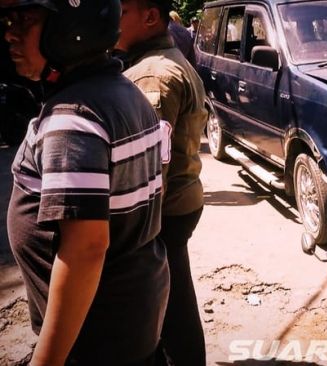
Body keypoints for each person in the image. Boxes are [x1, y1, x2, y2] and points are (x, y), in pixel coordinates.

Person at [1, 0, 169, 365]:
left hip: (92, 340)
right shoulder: (124, 92)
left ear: (72, 26)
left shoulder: (72, 118)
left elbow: (86, 250)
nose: (9, 32)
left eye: (25, 18)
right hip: (131, 320)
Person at [115, 1, 208, 365]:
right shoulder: (158, 61)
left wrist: (135, 232)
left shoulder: (153, 75)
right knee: (175, 300)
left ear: (150, 16)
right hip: (178, 205)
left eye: (120, 12)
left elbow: (152, 171)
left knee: (165, 310)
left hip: (163, 213)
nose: (110, 20)